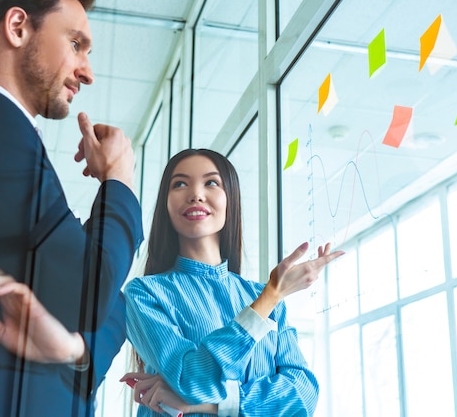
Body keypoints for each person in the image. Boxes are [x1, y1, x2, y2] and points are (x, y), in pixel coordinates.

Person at [0, 0, 143, 415]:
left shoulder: (0, 131)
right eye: (75, 43)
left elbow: (92, 305)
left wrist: (72, 345)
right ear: (17, 27)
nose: (87, 72)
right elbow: (91, 291)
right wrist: (119, 179)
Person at [120, 149, 345, 416]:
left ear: (231, 200)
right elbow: (193, 380)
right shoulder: (144, 293)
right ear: (165, 204)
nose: (196, 194)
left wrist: (209, 405)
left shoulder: (263, 295)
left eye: (211, 182)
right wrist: (269, 297)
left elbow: (302, 395)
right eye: (179, 183)